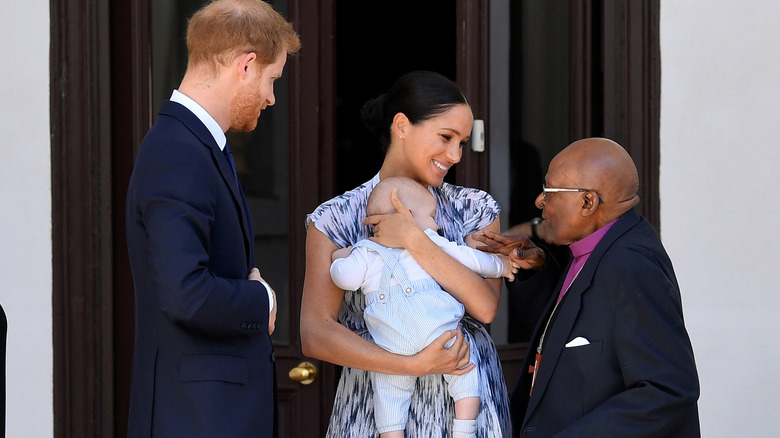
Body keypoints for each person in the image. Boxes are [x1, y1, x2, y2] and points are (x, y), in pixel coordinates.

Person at [301, 70, 512, 437]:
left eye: (461, 142)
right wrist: (412, 364)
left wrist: (415, 239)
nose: (455, 154)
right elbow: (316, 333)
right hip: (377, 409)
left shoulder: (474, 208)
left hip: (465, 405)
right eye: (446, 137)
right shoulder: (336, 217)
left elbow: (485, 308)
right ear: (401, 126)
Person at [124, 1, 300, 436]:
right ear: (246, 65)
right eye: (272, 80)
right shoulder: (178, 153)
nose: (271, 98)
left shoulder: (195, 145)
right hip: (196, 418)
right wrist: (263, 302)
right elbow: (186, 293)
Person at [474, 137, 701, 437]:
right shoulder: (593, 248)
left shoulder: (632, 266)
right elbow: (574, 333)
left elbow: (668, 389)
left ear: (587, 202)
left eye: (549, 191)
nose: (539, 202)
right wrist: (539, 270)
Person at [330, 176, 517, 438]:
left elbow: (345, 279)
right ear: (408, 215)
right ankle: (464, 427)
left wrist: (340, 258)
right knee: (464, 372)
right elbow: (473, 260)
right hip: (437, 330)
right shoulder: (431, 239)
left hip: (391, 344)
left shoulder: (365, 251)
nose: (436, 223)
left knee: (389, 394)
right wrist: (503, 266)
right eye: (431, 216)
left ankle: (392, 434)